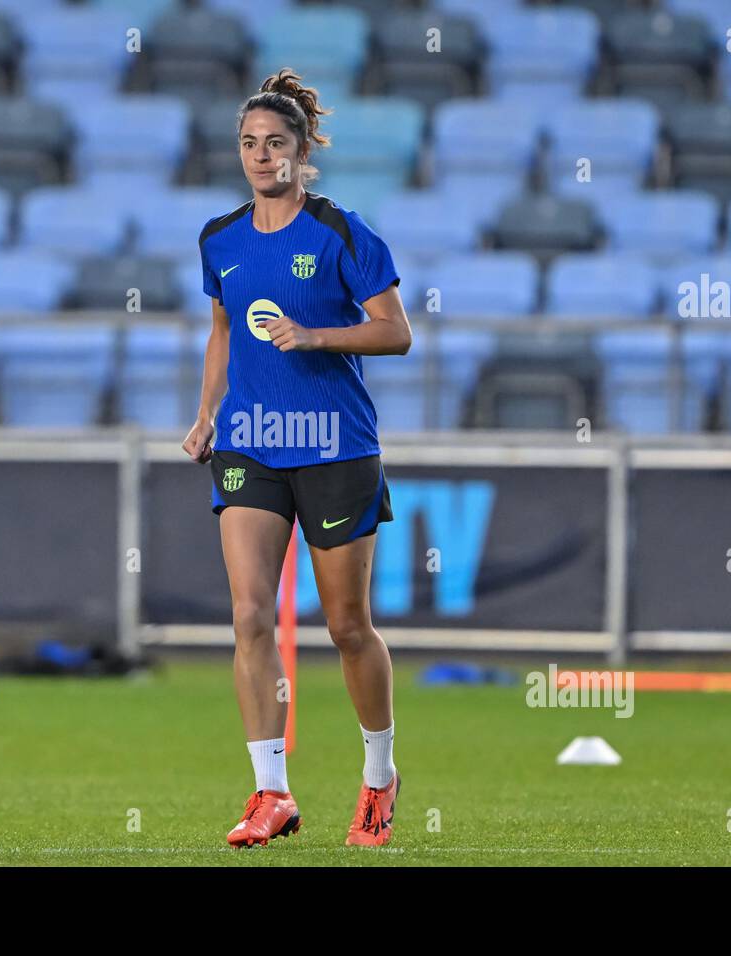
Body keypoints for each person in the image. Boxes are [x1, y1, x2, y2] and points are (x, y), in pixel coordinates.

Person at [181, 68, 413, 848]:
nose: (260, 155)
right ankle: (270, 791)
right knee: (249, 616)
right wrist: (207, 411)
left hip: (335, 446)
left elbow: (395, 330)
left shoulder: (342, 232)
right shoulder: (220, 239)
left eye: (274, 143)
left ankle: (379, 774)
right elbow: (222, 330)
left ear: (303, 151)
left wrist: (316, 336)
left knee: (347, 626)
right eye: (248, 143)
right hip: (249, 446)